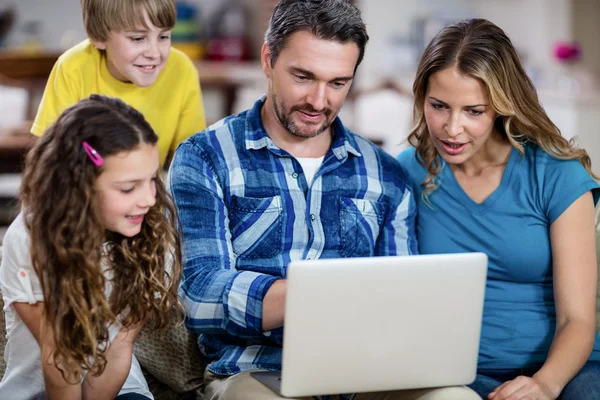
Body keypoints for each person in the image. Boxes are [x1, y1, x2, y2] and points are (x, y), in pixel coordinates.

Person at [169, 1, 479, 399]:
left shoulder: (386, 175)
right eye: (303, 76)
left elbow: (402, 302)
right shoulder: (206, 157)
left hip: (366, 374)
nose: (318, 101)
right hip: (256, 370)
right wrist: (314, 295)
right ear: (268, 59)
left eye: (338, 83)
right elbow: (200, 296)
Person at [397, 18, 600, 400]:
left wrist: (544, 384)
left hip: (564, 367)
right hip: (458, 372)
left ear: (503, 106)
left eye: (474, 111)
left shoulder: (556, 174)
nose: (452, 128)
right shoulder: (409, 171)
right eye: (439, 106)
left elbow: (578, 319)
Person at [0, 95, 183, 399]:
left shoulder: (150, 233)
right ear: (80, 185)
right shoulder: (29, 238)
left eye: (151, 180)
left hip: (117, 388)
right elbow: (60, 355)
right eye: (128, 188)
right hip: (36, 390)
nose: (149, 199)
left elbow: (119, 345)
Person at [31, 0, 206, 166]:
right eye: (138, 38)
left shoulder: (182, 69)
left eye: (163, 36)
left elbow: (192, 160)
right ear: (98, 36)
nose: (154, 53)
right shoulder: (72, 67)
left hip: (147, 193)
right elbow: (50, 160)